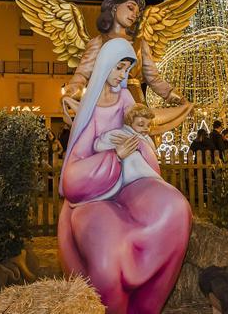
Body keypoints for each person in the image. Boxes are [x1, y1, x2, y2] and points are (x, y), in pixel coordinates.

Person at [58, 38, 192, 313]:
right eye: (118, 68)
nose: (122, 76)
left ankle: (146, 307)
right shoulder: (90, 108)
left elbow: (141, 126)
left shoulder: (127, 100)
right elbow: (72, 177)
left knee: (175, 207)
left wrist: (139, 143)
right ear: (105, 65)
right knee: (107, 250)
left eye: (126, 71)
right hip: (93, 196)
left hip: (130, 182)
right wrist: (113, 157)